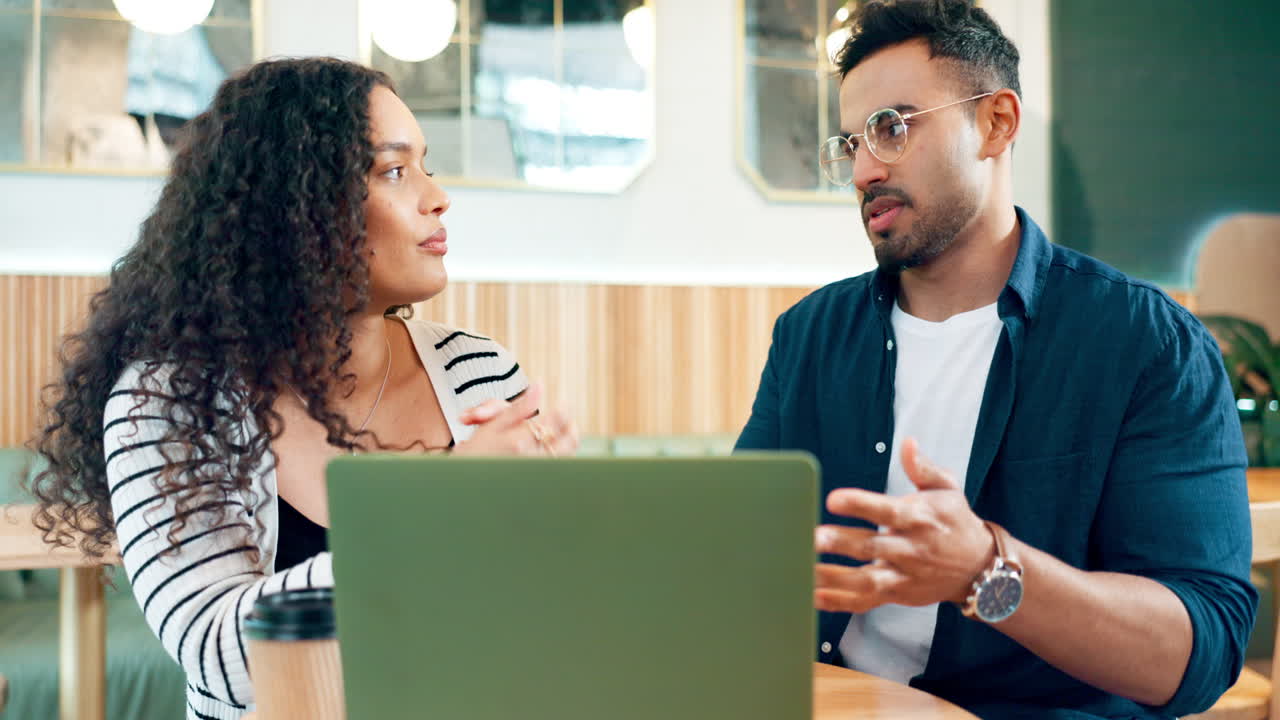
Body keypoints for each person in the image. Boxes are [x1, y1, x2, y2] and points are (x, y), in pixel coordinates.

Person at [735, 1, 1255, 717]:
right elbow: (737, 552)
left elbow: (1204, 649)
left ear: (996, 123)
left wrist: (988, 570)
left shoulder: (1145, 342)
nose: (861, 171)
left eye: (891, 129)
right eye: (850, 143)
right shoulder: (809, 335)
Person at [29, 57, 578, 720]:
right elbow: (224, 657)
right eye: (394, 171)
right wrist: (442, 504)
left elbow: (546, 620)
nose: (438, 197)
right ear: (293, 210)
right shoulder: (168, 405)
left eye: (425, 166)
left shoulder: (479, 372)